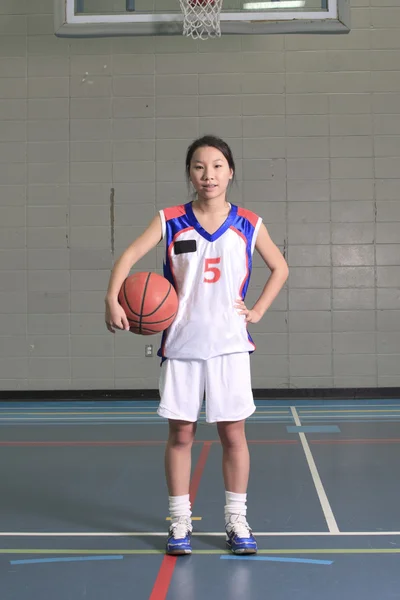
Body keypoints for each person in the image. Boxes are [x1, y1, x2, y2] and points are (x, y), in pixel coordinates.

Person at [105, 135, 289, 556]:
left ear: (231, 171)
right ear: (190, 173)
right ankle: (181, 521)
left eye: (218, 166)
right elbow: (128, 256)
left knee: (233, 434)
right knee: (181, 434)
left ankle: (236, 519)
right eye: (200, 167)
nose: (209, 175)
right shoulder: (170, 219)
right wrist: (111, 297)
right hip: (183, 344)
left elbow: (280, 267)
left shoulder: (248, 222)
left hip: (229, 345)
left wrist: (256, 310)